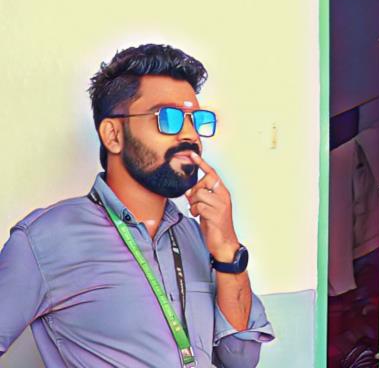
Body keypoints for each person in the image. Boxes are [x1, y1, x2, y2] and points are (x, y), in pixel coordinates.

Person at [0, 44, 275, 367]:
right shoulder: (43, 240)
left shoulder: (201, 237)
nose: (190, 135)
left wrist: (227, 250)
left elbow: (240, 359)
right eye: (167, 118)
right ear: (113, 134)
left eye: (196, 120)